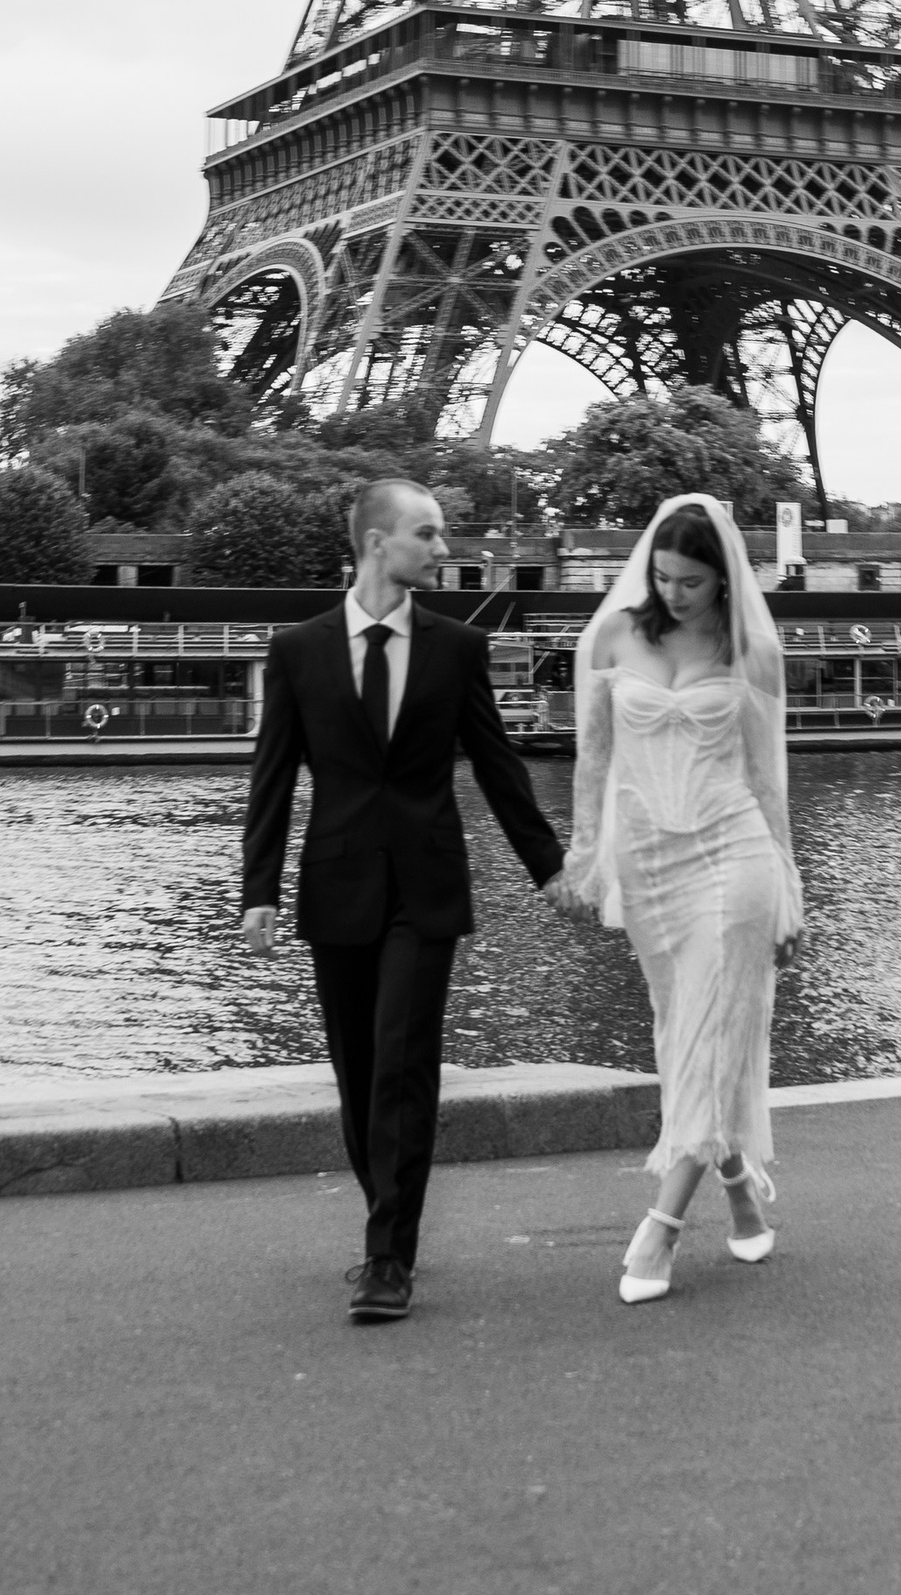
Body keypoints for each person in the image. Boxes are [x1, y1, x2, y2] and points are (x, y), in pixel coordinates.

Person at [239, 474, 567, 1327]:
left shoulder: (457, 648)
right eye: (429, 533)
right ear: (378, 541)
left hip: (426, 887)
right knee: (357, 1073)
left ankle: (389, 1253)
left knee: (403, 1063)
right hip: (336, 884)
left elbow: (498, 764)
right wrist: (258, 890)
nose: (443, 547)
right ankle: (385, 1208)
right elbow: (272, 776)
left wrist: (550, 868)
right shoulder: (298, 650)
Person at [552, 491, 803, 1304]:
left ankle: (657, 1232)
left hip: (735, 856)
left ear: (723, 579)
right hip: (651, 863)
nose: (672, 593)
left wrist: (791, 882)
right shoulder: (615, 634)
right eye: (661, 577)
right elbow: (592, 760)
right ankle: (734, 1180)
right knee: (683, 1036)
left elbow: (767, 780)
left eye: (690, 581)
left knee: (709, 1030)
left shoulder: (750, 653)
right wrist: (585, 852)